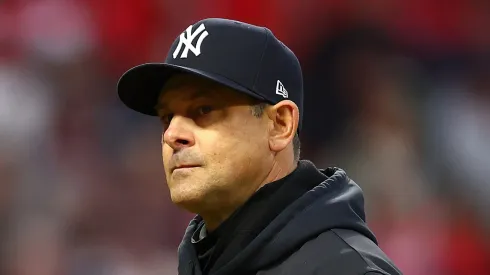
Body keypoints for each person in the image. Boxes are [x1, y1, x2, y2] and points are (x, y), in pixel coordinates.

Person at [117, 18, 402, 275]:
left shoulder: (347, 269)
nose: (172, 134)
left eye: (204, 109)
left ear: (280, 125)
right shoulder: (204, 261)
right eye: (167, 117)